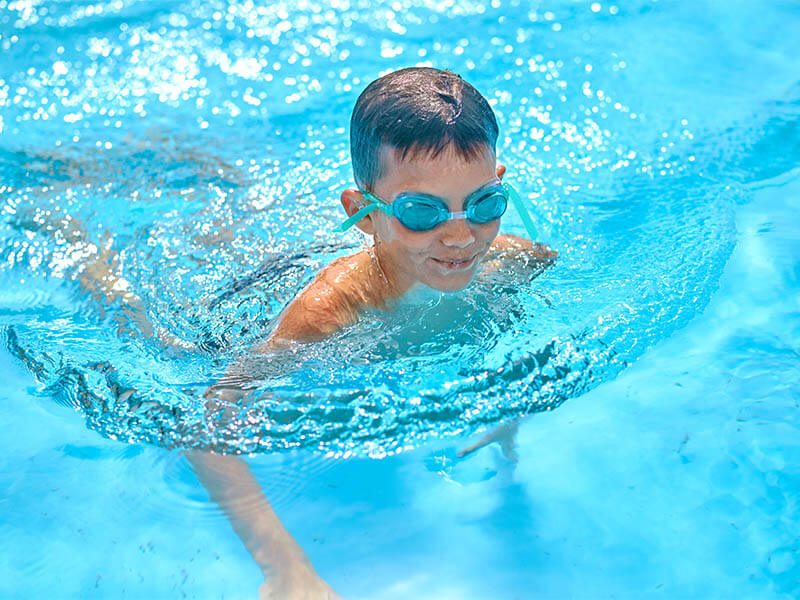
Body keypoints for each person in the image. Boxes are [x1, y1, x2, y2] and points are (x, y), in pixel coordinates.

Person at [61, 66, 555, 598]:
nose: (460, 236)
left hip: (314, 259)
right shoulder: (325, 317)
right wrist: (284, 567)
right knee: (136, 319)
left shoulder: (516, 263)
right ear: (364, 213)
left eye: (484, 204)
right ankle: (71, 224)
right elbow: (205, 426)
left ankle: (199, 162)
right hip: (246, 299)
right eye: (420, 212)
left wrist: (508, 411)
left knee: (234, 214)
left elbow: (521, 339)